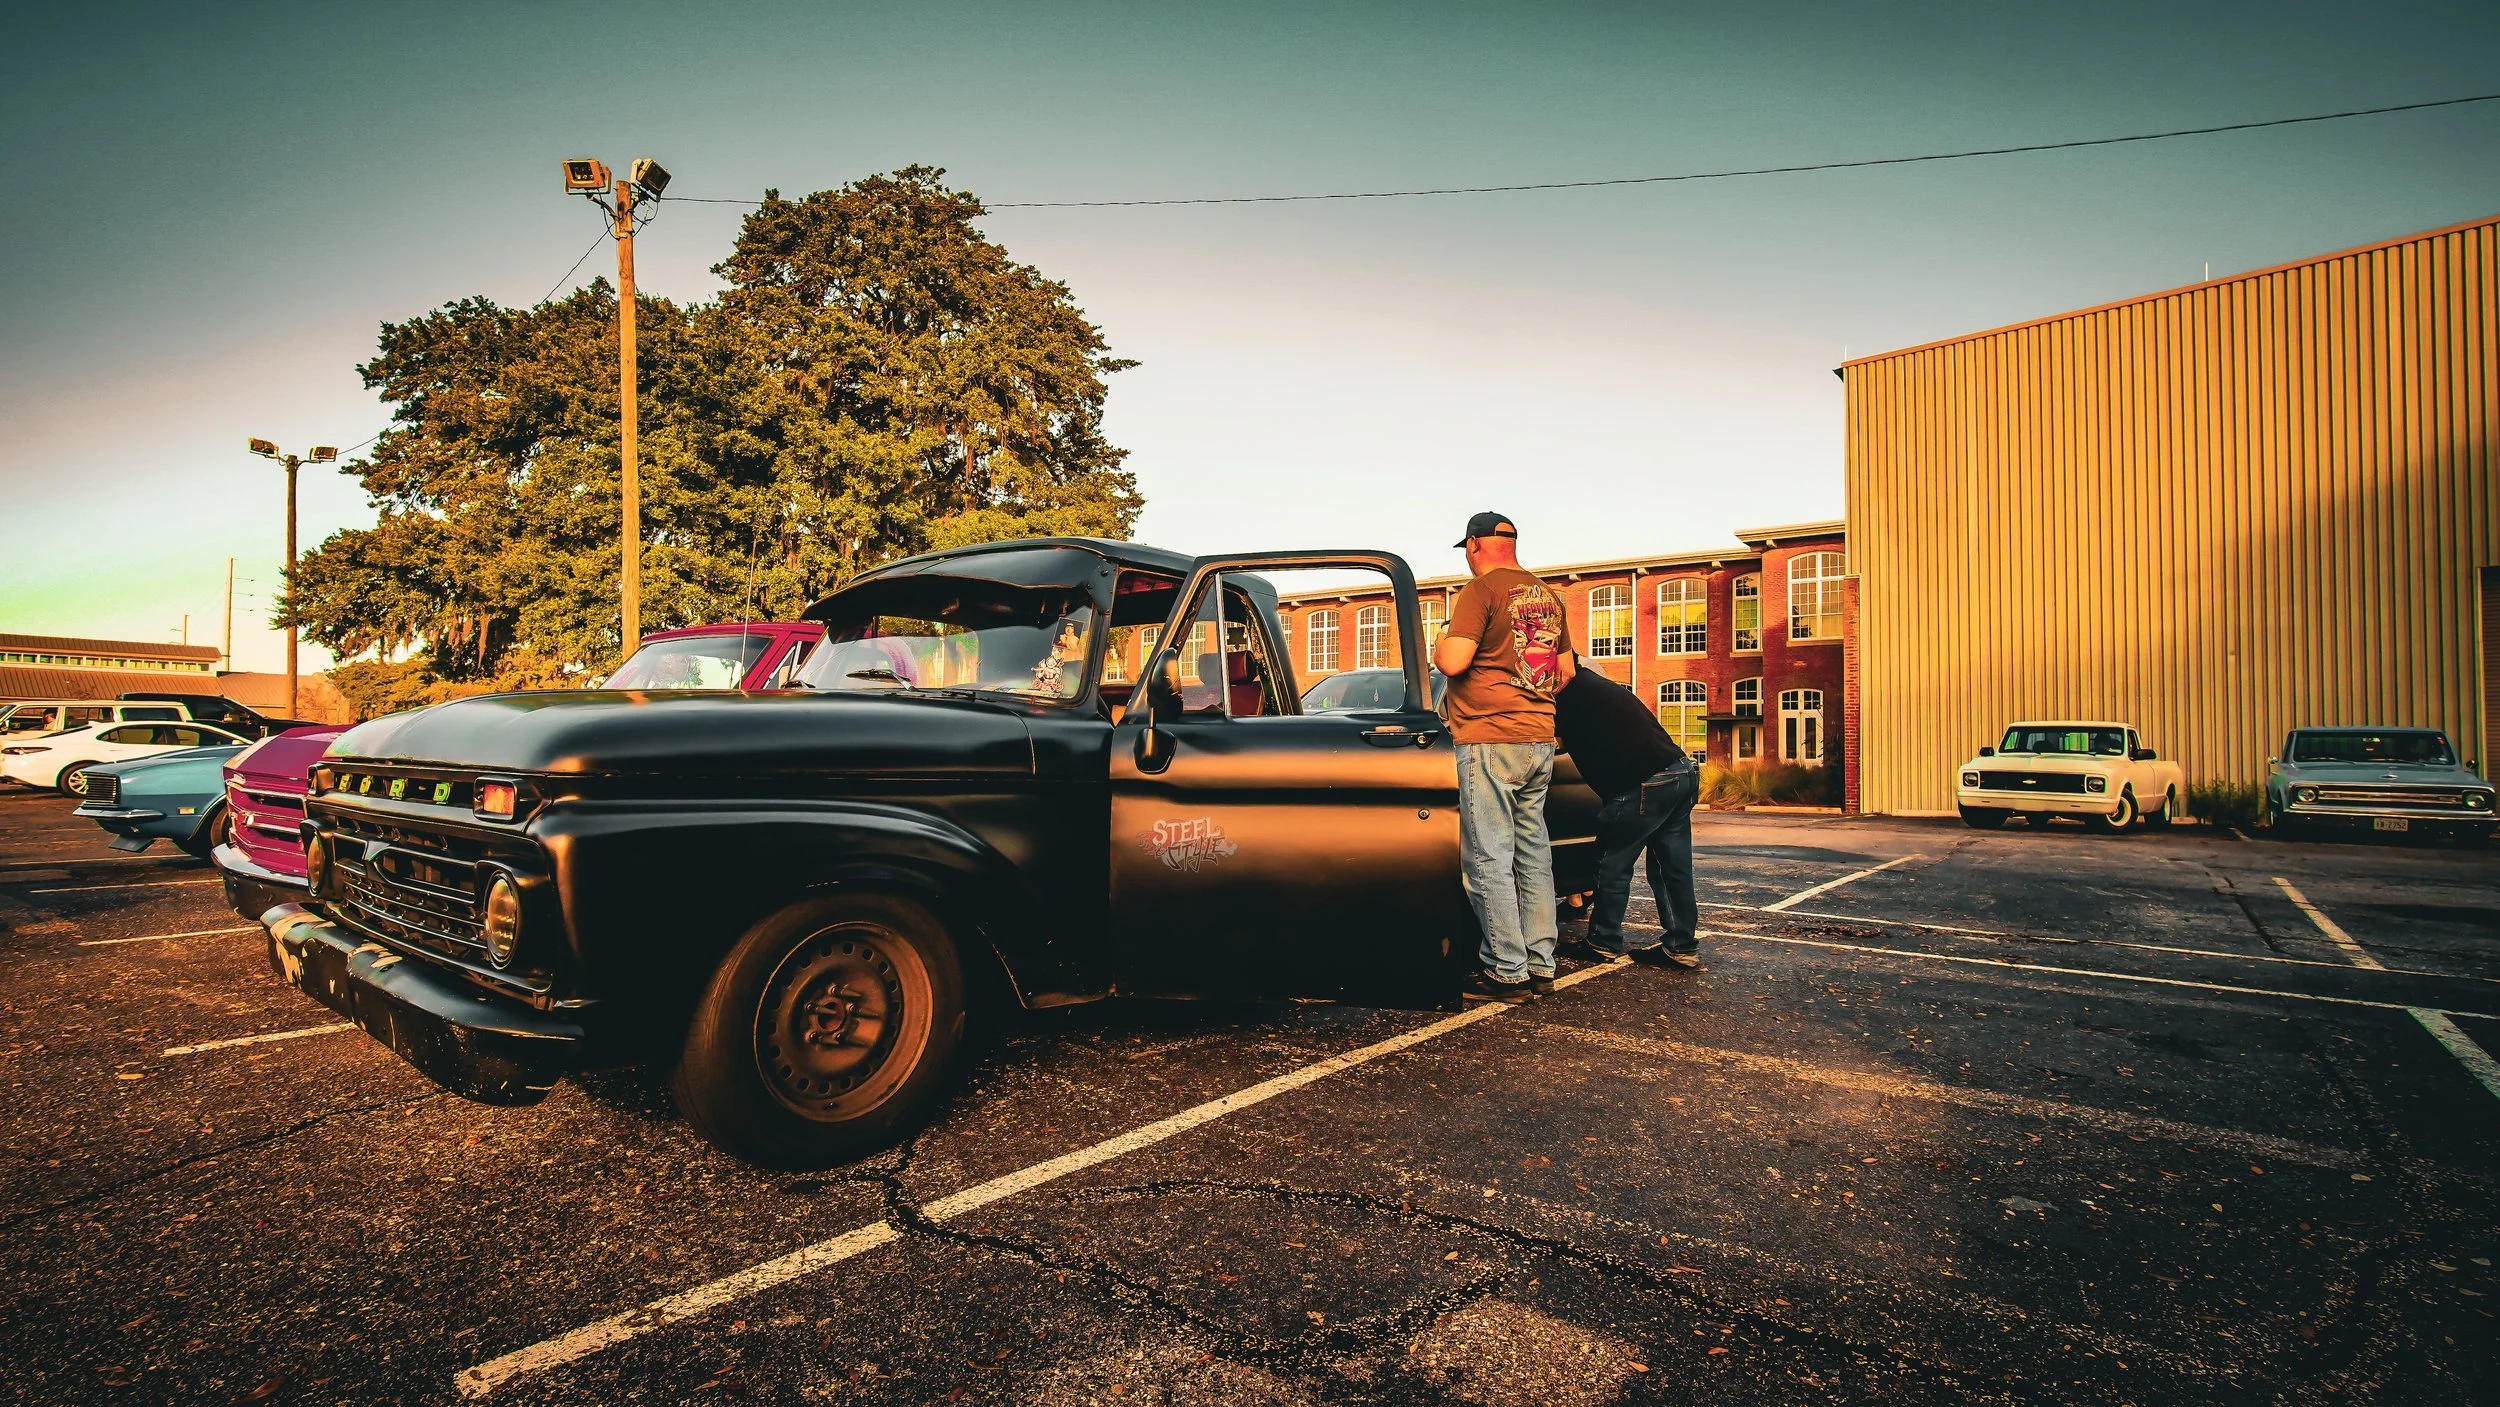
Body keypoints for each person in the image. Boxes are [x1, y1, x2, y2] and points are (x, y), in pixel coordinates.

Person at [1433, 512, 1574, 1002]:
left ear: (1473, 545)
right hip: (1538, 737)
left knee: (1488, 858)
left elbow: (1453, 661)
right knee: (1533, 856)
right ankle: (1541, 964)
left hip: (1489, 738)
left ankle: (1505, 971)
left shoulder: (1481, 591)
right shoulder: (1548, 595)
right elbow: (1566, 671)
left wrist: (1438, 644)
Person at [1554, 669, 1702, 968]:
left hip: (1641, 783)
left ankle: (1603, 941)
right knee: (1670, 867)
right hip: (1680, 771)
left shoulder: (1568, 699)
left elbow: (1548, 742)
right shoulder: (1597, 688)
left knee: (1611, 863)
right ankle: (1681, 945)